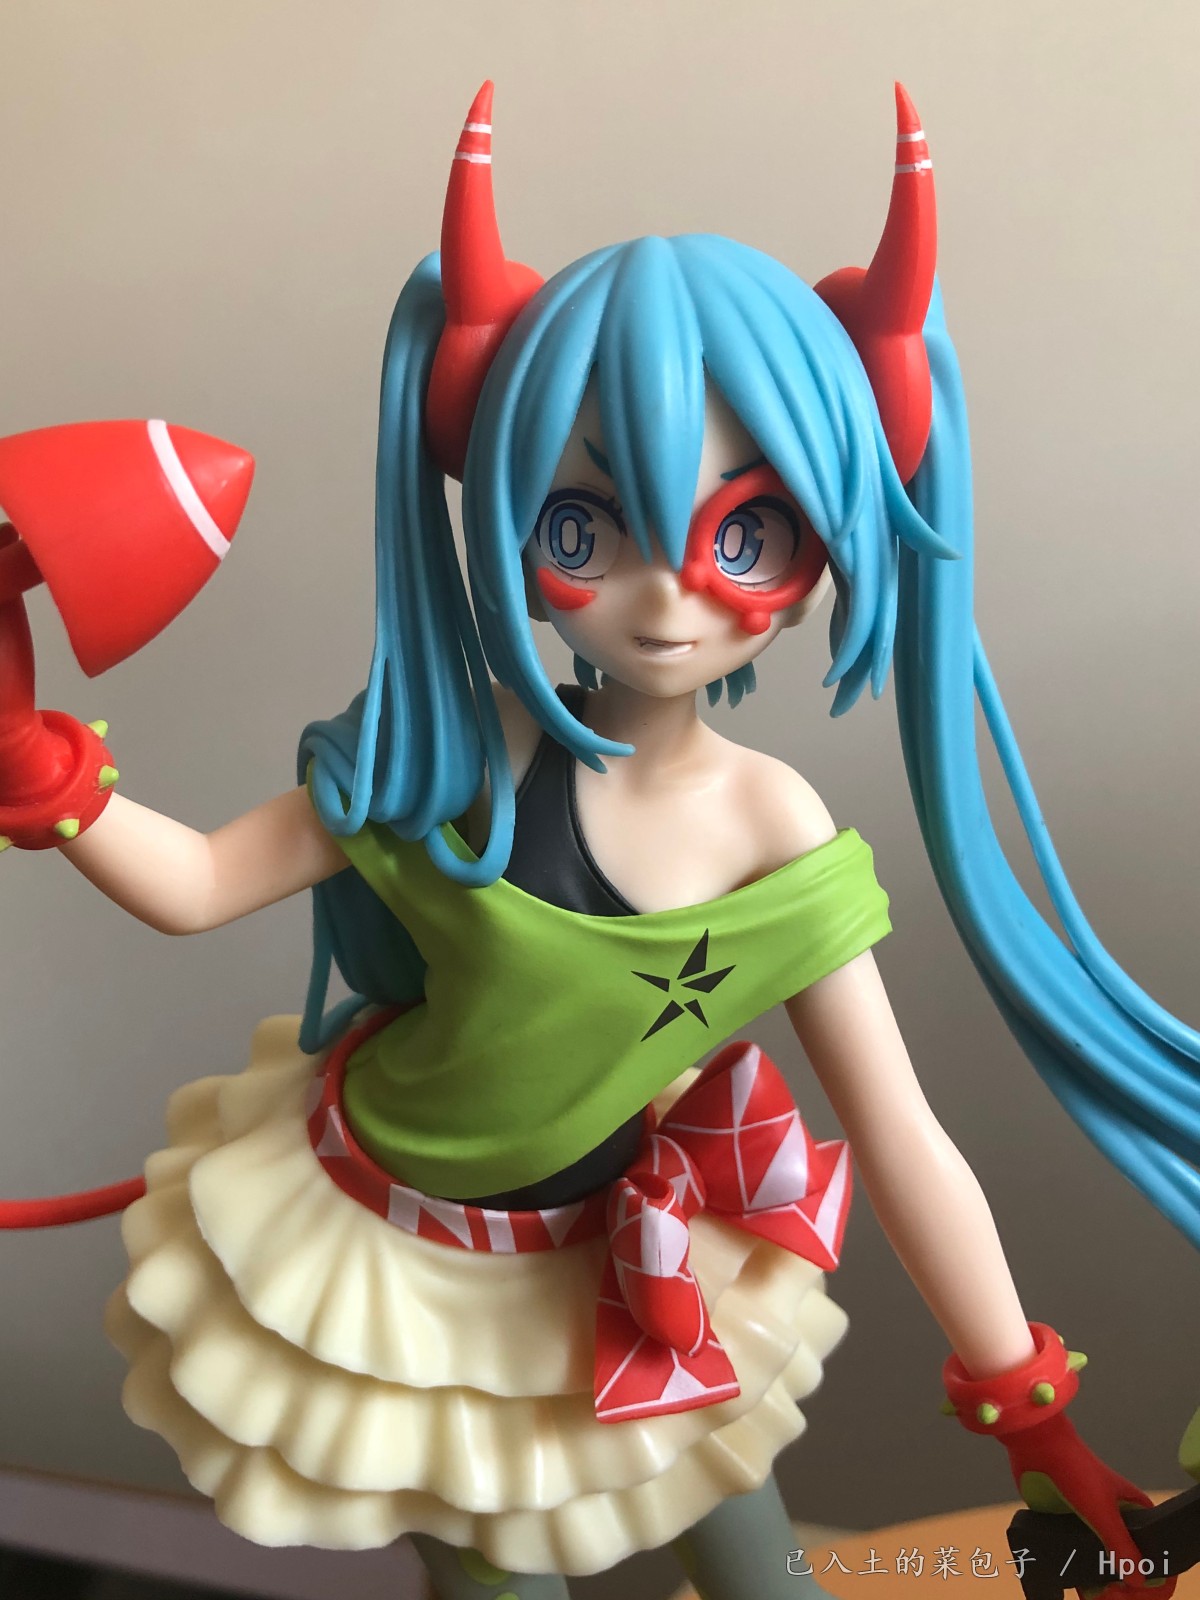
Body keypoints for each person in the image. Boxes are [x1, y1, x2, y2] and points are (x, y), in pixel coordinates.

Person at [2, 83, 1182, 1600]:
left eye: (749, 534)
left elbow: (900, 1135)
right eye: (582, 528)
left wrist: (1027, 1402)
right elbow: (201, 886)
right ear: (504, 519)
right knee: (499, 1582)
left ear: (828, 540)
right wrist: (41, 767)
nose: (666, 597)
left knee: (761, 1570)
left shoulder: (771, 826)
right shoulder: (456, 756)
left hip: (636, 1239)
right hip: (401, 1256)